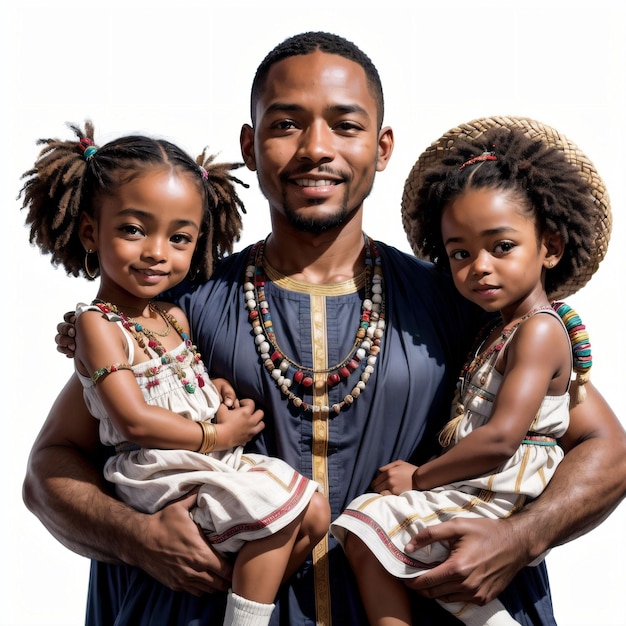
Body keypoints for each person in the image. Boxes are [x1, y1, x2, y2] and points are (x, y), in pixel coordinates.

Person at [23, 32, 626, 625]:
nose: (316, 147)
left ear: (382, 146)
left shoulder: (462, 303)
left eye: (345, 124)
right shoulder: (173, 309)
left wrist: (520, 538)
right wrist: (135, 536)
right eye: (286, 124)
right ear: (250, 145)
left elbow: (608, 450)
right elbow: (50, 467)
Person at [19, 122, 330, 626]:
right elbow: (136, 421)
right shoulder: (96, 325)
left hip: (211, 459)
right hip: (164, 469)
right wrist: (216, 432)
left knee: (314, 512)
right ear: (90, 232)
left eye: (179, 236)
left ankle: (238, 600)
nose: (157, 251)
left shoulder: (172, 316)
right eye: (134, 229)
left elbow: (182, 380)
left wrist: (218, 392)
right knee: (277, 517)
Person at [331, 118, 607, 626]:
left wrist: (420, 476)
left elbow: (502, 437)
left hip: (500, 483)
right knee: (405, 545)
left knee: (368, 527)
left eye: (501, 247)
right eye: (460, 253)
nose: (479, 265)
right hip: (481, 477)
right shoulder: (494, 330)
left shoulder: (540, 332)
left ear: (550, 247)